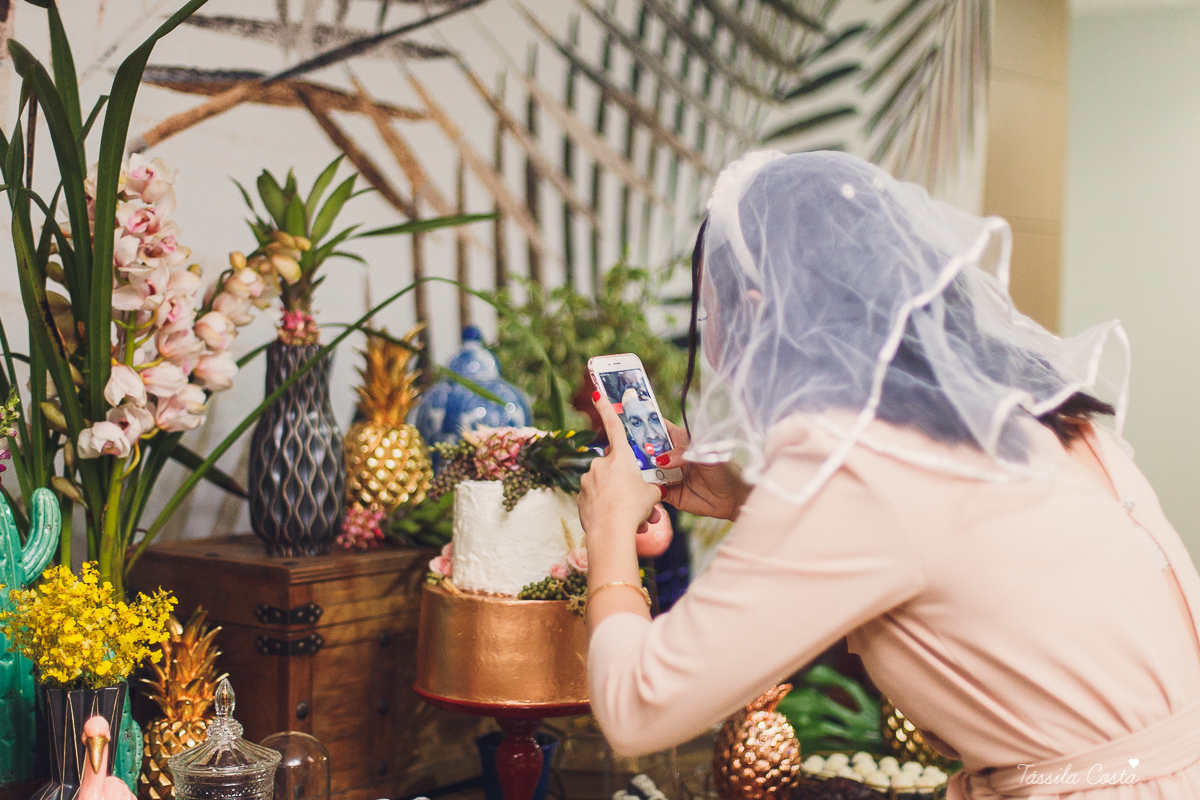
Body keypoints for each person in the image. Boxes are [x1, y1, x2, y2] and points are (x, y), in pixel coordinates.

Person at [577, 151, 1200, 799]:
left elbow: (636, 709)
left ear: (761, 311)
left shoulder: (854, 463)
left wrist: (611, 523)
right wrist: (749, 497)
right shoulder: (1032, 414)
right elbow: (944, 546)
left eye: (710, 319)